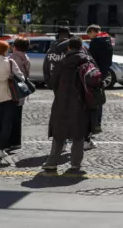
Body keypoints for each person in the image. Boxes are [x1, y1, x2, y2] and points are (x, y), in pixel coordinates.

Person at [43, 36, 101, 173]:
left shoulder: (61, 63)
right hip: (82, 103)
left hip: (62, 102)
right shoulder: (88, 61)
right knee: (79, 134)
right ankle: (75, 163)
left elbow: (52, 83)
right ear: (81, 47)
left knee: (59, 134)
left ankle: (52, 162)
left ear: (68, 47)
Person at [86, 25, 112, 135]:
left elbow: (91, 58)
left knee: (92, 99)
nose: (89, 36)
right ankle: (97, 124)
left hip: (95, 73)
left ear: (92, 31)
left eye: (89, 34)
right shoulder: (107, 40)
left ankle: (92, 124)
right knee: (99, 98)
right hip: (104, 72)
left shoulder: (95, 42)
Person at [7, 37, 32, 151]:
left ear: (15, 47)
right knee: (17, 117)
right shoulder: (26, 57)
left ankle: (9, 142)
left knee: (9, 117)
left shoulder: (12, 58)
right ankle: (16, 142)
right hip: (21, 90)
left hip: (12, 90)